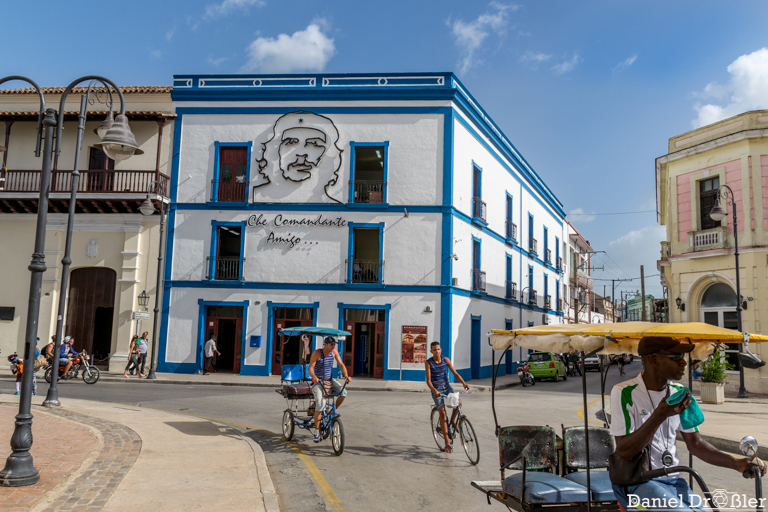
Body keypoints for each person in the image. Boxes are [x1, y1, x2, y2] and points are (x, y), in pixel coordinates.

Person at [610, 336, 765, 512]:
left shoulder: (680, 393)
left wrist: (736, 463)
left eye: (683, 357)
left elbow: (696, 444)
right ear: (653, 359)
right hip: (639, 482)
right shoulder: (623, 392)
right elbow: (625, 451)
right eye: (675, 357)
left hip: (675, 481)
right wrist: (659, 415)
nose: (683, 363)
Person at [425, 341, 469, 454]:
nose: (437, 351)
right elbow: (428, 380)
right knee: (443, 413)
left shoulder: (446, 360)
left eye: (438, 349)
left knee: (459, 403)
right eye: (434, 350)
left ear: (441, 350)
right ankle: (447, 443)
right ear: (431, 351)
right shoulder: (429, 363)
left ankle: (453, 421)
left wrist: (464, 383)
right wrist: (434, 391)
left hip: (447, 387)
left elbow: (455, 373)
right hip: (437, 390)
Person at [308, 336, 350, 443]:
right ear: (325, 344)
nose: (333, 346)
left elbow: (341, 364)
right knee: (321, 405)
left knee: (343, 393)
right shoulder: (317, 353)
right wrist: (314, 377)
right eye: (331, 344)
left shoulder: (334, 352)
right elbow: (310, 369)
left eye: (334, 344)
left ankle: (331, 412)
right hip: (318, 382)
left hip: (329, 380)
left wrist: (346, 375)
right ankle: (316, 432)